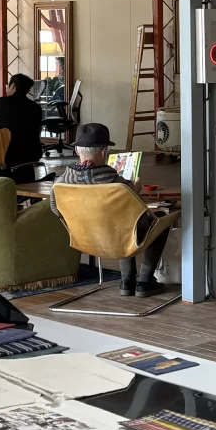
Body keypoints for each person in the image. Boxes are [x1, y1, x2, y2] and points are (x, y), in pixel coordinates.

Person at [49, 123, 168, 299]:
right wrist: (137, 189)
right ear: (104, 151)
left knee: (119, 221)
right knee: (155, 219)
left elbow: (55, 209)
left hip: (85, 239)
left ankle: (126, 280)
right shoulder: (115, 181)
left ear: (77, 151)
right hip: (115, 236)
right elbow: (135, 208)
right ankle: (144, 281)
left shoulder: (60, 183)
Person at [0, 73, 44, 184]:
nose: (6, 88)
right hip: (32, 153)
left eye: (8, 85)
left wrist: (0, 131)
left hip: (8, 154)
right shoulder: (36, 107)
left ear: (13, 86)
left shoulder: (2, 102)